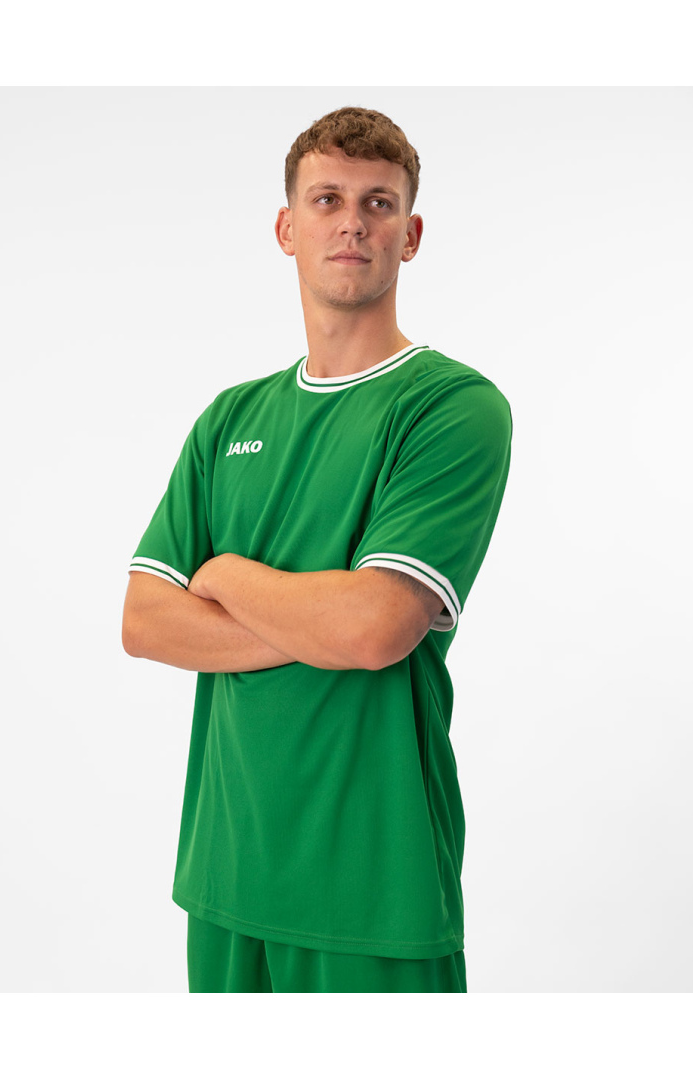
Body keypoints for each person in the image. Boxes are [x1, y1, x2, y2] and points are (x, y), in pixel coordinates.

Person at [122, 106, 512, 993]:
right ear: (286, 229)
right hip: (226, 874)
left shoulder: (450, 407)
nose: (353, 223)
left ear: (411, 235)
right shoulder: (230, 419)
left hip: (373, 885)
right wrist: (314, 619)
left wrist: (223, 575)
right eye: (327, 199)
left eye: (379, 203)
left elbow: (375, 629)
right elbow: (145, 621)